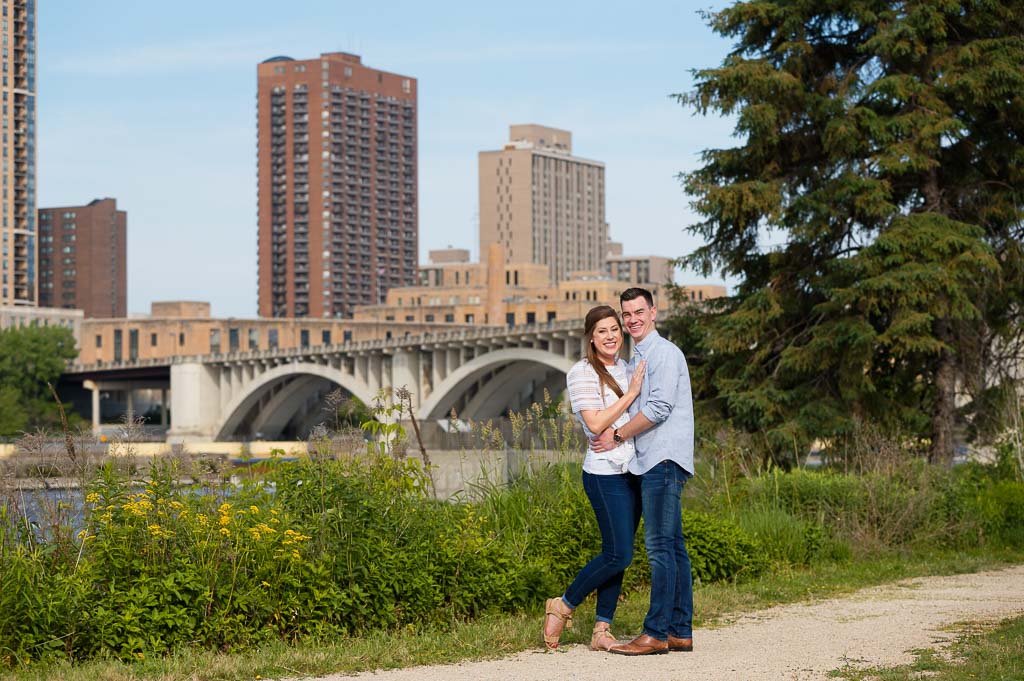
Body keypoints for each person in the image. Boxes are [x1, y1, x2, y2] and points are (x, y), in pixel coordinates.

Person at [591, 287, 695, 656]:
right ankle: (680, 631)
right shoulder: (639, 357)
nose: (632, 319)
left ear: (654, 312)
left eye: (639, 312)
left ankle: (655, 633)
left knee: (659, 548)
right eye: (627, 314)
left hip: (663, 459)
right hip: (653, 459)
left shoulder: (663, 354)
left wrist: (616, 434)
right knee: (674, 546)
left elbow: (659, 408)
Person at [542, 305, 647, 652]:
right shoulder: (581, 373)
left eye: (615, 329)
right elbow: (596, 424)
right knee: (618, 554)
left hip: (633, 471)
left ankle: (602, 630)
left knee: (620, 553)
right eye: (602, 331)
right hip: (604, 475)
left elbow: (636, 420)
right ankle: (564, 604)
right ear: (591, 336)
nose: (611, 336)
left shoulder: (629, 368)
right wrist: (630, 395)